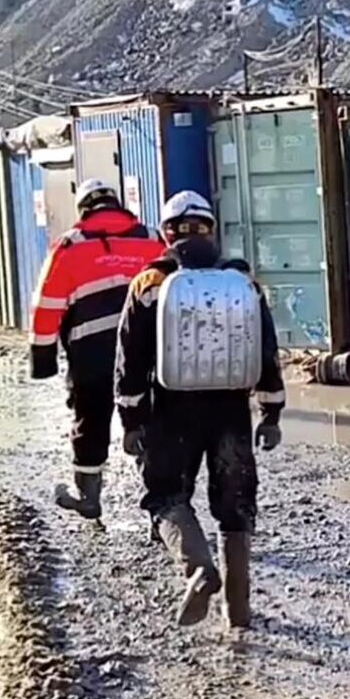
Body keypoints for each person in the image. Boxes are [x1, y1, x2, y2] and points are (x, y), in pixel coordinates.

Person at [116, 190, 285, 628]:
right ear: (212, 231)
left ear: (164, 234)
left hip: (170, 411)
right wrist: (271, 411)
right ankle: (239, 613)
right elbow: (266, 349)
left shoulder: (150, 284)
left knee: (166, 495)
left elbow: (130, 360)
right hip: (231, 411)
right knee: (236, 506)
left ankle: (198, 569)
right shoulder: (243, 282)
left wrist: (131, 420)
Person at [28, 178, 166, 521]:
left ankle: (88, 497)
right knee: (148, 421)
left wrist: (42, 359)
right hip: (147, 352)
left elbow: (47, 305)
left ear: (84, 209)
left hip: (92, 355)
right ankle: (163, 506)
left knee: (90, 419)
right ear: (117, 205)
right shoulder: (152, 239)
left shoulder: (71, 245)